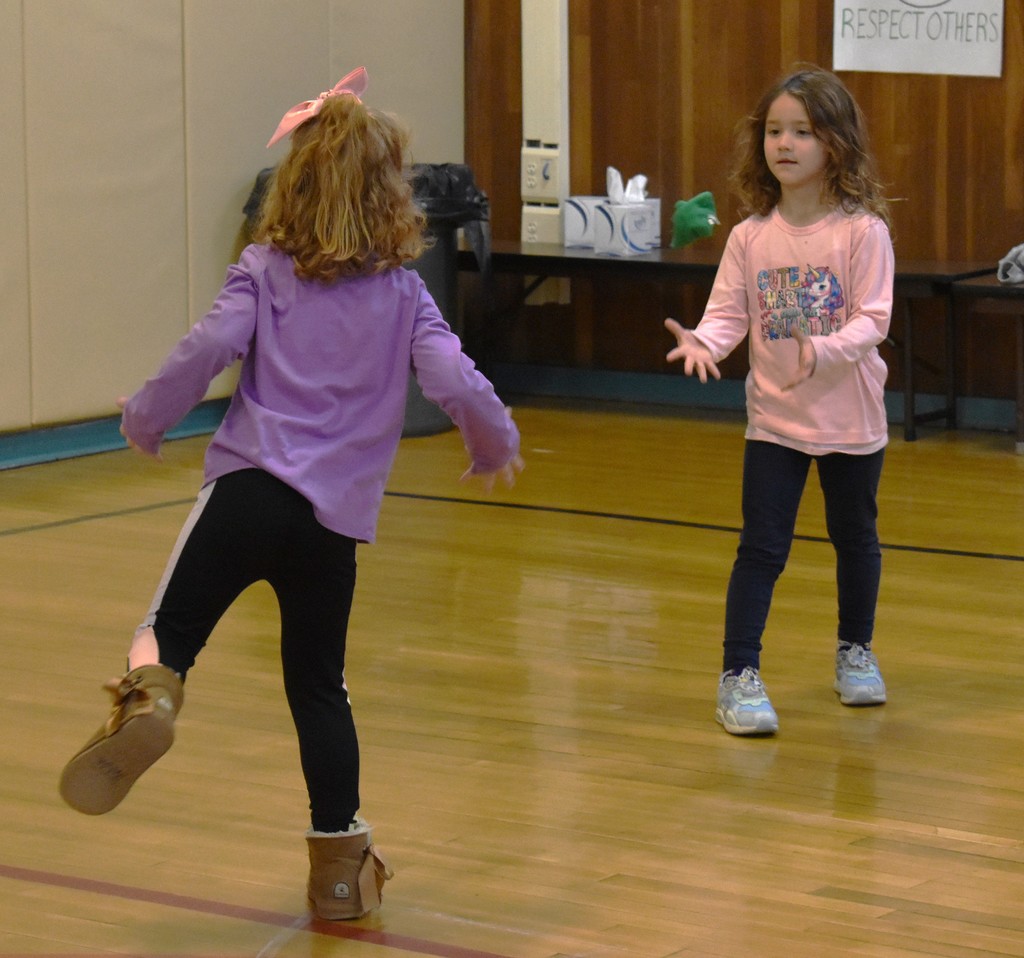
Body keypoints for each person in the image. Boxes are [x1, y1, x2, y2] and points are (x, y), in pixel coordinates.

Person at [59, 67, 523, 918]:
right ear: (393, 197)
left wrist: (147, 418)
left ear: (291, 187)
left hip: (244, 493)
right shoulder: (405, 293)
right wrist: (495, 443)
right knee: (319, 687)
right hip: (330, 526)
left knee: (163, 635)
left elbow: (206, 349)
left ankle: (152, 698)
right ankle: (340, 870)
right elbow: (454, 380)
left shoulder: (264, 270)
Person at [664, 64, 893, 736]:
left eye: (802, 131)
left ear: (836, 144)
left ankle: (856, 652)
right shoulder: (750, 237)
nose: (784, 143)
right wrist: (704, 341)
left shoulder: (861, 232)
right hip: (775, 420)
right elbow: (729, 315)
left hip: (851, 419)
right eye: (774, 130)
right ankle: (739, 675)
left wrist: (820, 351)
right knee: (762, 547)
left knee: (856, 540)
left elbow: (873, 319)